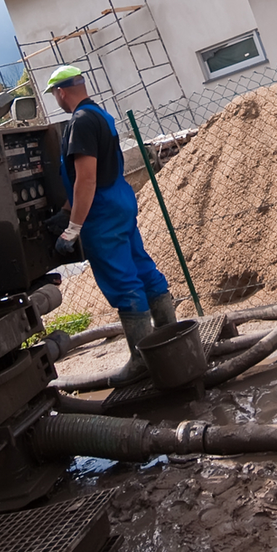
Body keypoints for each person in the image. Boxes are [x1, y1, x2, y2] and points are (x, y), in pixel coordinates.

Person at [47, 66, 178, 367]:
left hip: (101, 211)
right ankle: (171, 338)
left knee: (122, 281)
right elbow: (100, 169)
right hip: (119, 198)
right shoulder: (101, 116)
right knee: (142, 268)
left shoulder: (79, 122)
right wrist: (67, 208)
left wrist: (72, 228)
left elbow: (87, 179)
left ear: (60, 92)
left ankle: (143, 360)